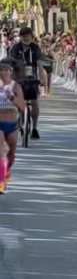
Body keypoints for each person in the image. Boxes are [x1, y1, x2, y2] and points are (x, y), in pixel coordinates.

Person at [8, 27, 42, 139]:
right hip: (19, 79)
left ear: (32, 36)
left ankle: (35, 128)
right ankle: (20, 118)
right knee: (18, 103)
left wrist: (41, 80)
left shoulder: (35, 48)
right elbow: (10, 66)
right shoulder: (15, 48)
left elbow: (40, 65)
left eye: (28, 35)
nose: (26, 38)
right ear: (20, 37)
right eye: (23, 36)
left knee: (35, 102)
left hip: (32, 79)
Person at [0, 61, 24, 193]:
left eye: (7, 70)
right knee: (1, 152)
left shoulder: (16, 86)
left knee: (11, 153)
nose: (4, 72)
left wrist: (12, 97)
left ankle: (7, 170)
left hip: (13, 124)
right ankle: (1, 182)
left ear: (11, 72)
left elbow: (22, 106)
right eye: (1, 70)